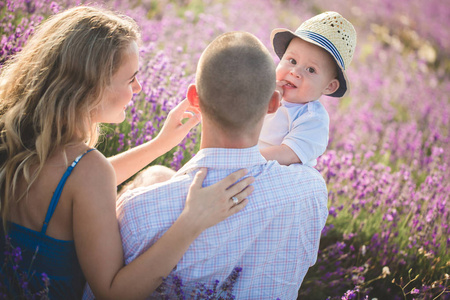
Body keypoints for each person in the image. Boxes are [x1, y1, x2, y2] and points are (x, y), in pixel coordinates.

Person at [0, 6, 254, 299]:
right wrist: (192, 221)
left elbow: (75, 183)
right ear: (92, 87)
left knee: (157, 172)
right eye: (130, 78)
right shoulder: (86, 168)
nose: (139, 87)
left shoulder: (22, 135)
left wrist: (160, 144)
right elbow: (114, 292)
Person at [91, 31, 328, 299]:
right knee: (157, 174)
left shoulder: (136, 212)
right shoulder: (312, 191)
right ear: (273, 103)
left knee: (155, 175)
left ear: (194, 98)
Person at [259, 11, 357, 166]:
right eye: (292, 60)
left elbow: (289, 154)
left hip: (274, 174)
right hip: (246, 165)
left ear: (329, 86)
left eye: (311, 70)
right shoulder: (262, 91)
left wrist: (245, 159)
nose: (295, 72)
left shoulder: (312, 117)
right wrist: (264, 100)